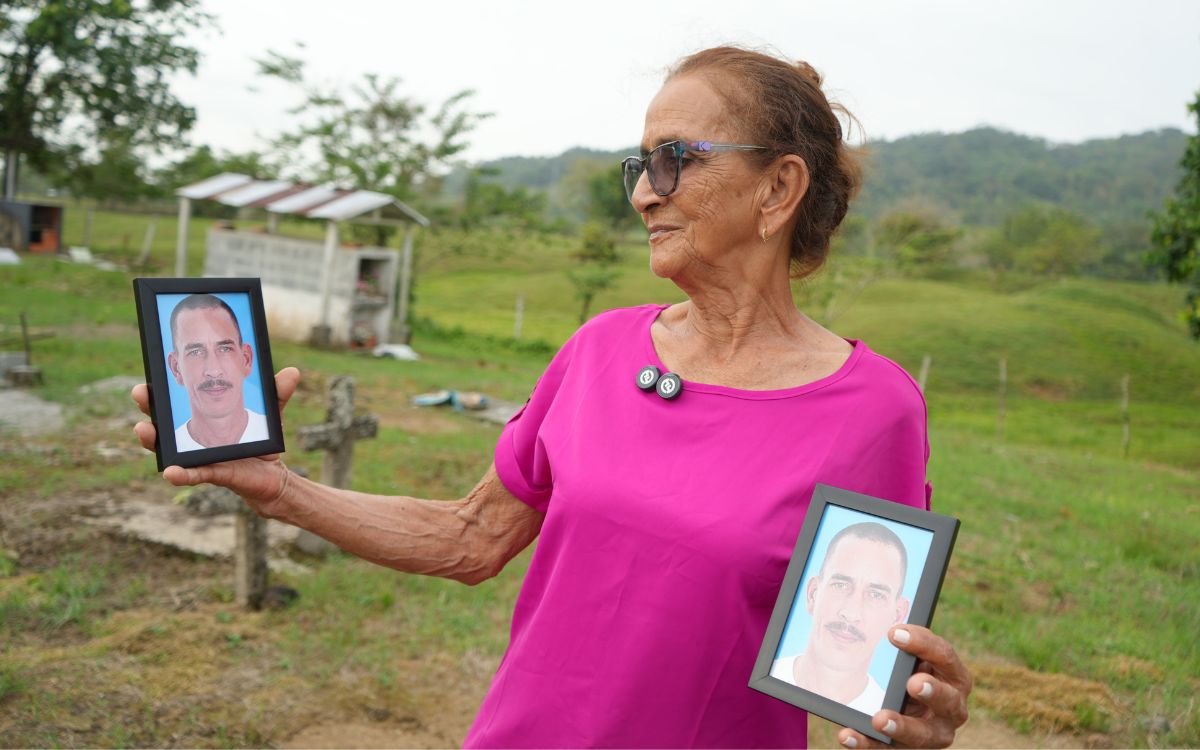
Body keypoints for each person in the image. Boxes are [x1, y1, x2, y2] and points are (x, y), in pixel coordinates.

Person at [133, 46, 971, 748]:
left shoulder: (872, 410)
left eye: (676, 159)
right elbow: (472, 538)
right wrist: (280, 487)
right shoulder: (599, 350)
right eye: (640, 166)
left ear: (778, 190)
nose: (646, 191)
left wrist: (908, 725)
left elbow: (862, 677)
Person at [772, 522, 912, 715]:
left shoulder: (889, 717)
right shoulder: (763, 676)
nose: (851, 613)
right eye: (840, 585)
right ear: (813, 594)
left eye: (876, 595)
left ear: (897, 616)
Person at [166, 293, 268, 451]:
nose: (213, 371)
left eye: (225, 349)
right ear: (176, 368)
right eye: (195, 352)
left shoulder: (268, 431)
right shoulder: (172, 447)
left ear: (246, 360)